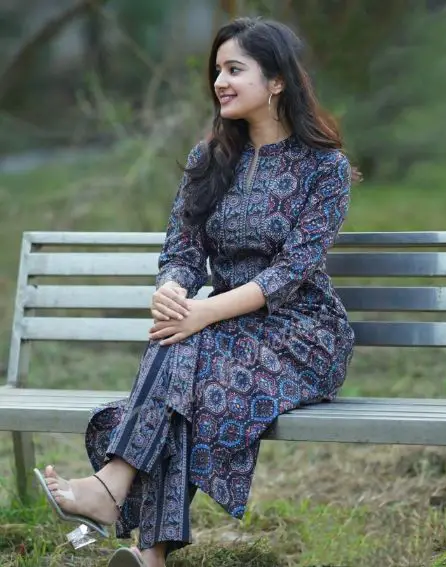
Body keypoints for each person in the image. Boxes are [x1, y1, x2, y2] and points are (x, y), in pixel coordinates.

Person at [34, 16, 355, 567]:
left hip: (302, 335)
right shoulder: (208, 159)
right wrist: (172, 291)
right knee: (182, 362)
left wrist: (201, 313)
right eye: (217, 71)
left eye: (235, 69)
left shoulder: (324, 168)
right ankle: (147, 554)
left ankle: (114, 486)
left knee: (183, 347)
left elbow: (292, 271)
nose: (219, 82)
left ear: (277, 81)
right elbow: (181, 251)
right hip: (222, 329)